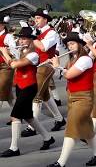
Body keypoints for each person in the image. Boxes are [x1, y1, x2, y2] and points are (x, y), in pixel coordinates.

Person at [47, 32, 96, 167]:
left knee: (71, 129)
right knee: (88, 130)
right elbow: (66, 72)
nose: (70, 46)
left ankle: (60, 163)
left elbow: (70, 75)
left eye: (72, 43)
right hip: (73, 97)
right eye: (68, 44)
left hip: (83, 98)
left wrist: (57, 66)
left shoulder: (85, 59)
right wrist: (56, 66)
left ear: (79, 45)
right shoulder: (72, 59)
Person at [0, 26, 55, 158]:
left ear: (31, 40)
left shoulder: (34, 55)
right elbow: (15, 60)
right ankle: (48, 138)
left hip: (29, 87)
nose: (21, 41)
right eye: (20, 39)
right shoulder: (23, 51)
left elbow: (14, 65)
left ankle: (14, 148)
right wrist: (9, 51)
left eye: (24, 39)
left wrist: (4, 52)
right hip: (20, 86)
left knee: (15, 116)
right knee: (28, 116)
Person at [21, 8, 66, 137]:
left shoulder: (51, 33)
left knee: (36, 95)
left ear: (45, 20)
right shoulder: (39, 33)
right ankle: (59, 119)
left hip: (47, 65)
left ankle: (32, 126)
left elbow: (43, 47)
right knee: (45, 95)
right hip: (39, 64)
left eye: (38, 18)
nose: (36, 21)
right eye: (35, 19)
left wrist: (32, 37)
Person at [0, 14, 17, 112]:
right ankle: (18, 114)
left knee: (1, 89)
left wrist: (5, 51)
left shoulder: (8, 36)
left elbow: (15, 52)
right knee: (8, 94)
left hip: (6, 66)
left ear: (2, 25)